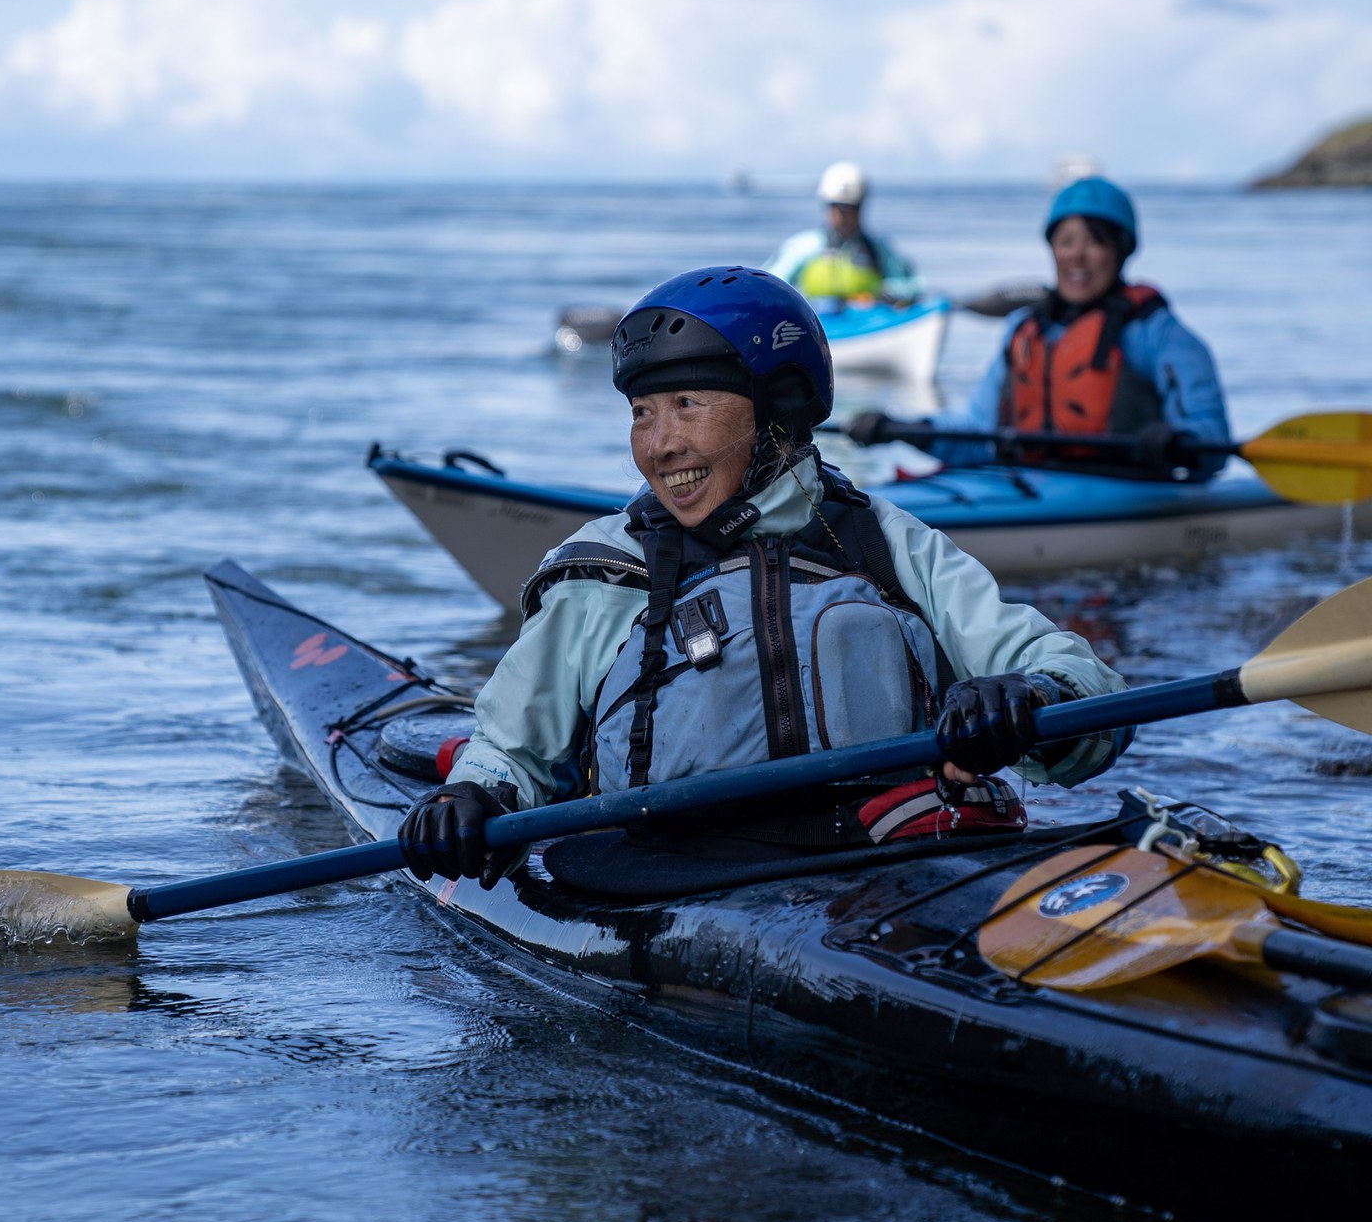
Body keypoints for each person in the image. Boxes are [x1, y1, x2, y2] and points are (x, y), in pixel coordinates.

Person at [398, 266, 1130, 886]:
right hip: (670, 876)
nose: (659, 446)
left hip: (882, 861)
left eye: (687, 404)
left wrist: (1029, 696)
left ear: (777, 408)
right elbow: (512, 749)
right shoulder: (604, 569)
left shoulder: (884, 543)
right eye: (642, 412)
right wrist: (473, 798)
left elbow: (1089, 692)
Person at [850, 177, 1230, 478]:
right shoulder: (1024, 330)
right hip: (1027, 485)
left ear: (1121, 249)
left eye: (1094, 242)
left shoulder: (1159, 334)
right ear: (1052, 249)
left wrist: (1178, 443)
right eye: (1065, 241)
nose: (1077, 255)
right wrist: (905, 429)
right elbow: (979, 433)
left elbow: (1212, 440)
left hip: (1126, 490)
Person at [767, 161, 918, 306]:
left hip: (869, 318)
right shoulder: (804, 246)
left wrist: (888, 293)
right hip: (817, 318)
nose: (844, 217)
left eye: (851, 209)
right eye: (838, 208)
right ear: (828, 207)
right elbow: (771, 283)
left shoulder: (877, 248)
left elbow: (912, 285)